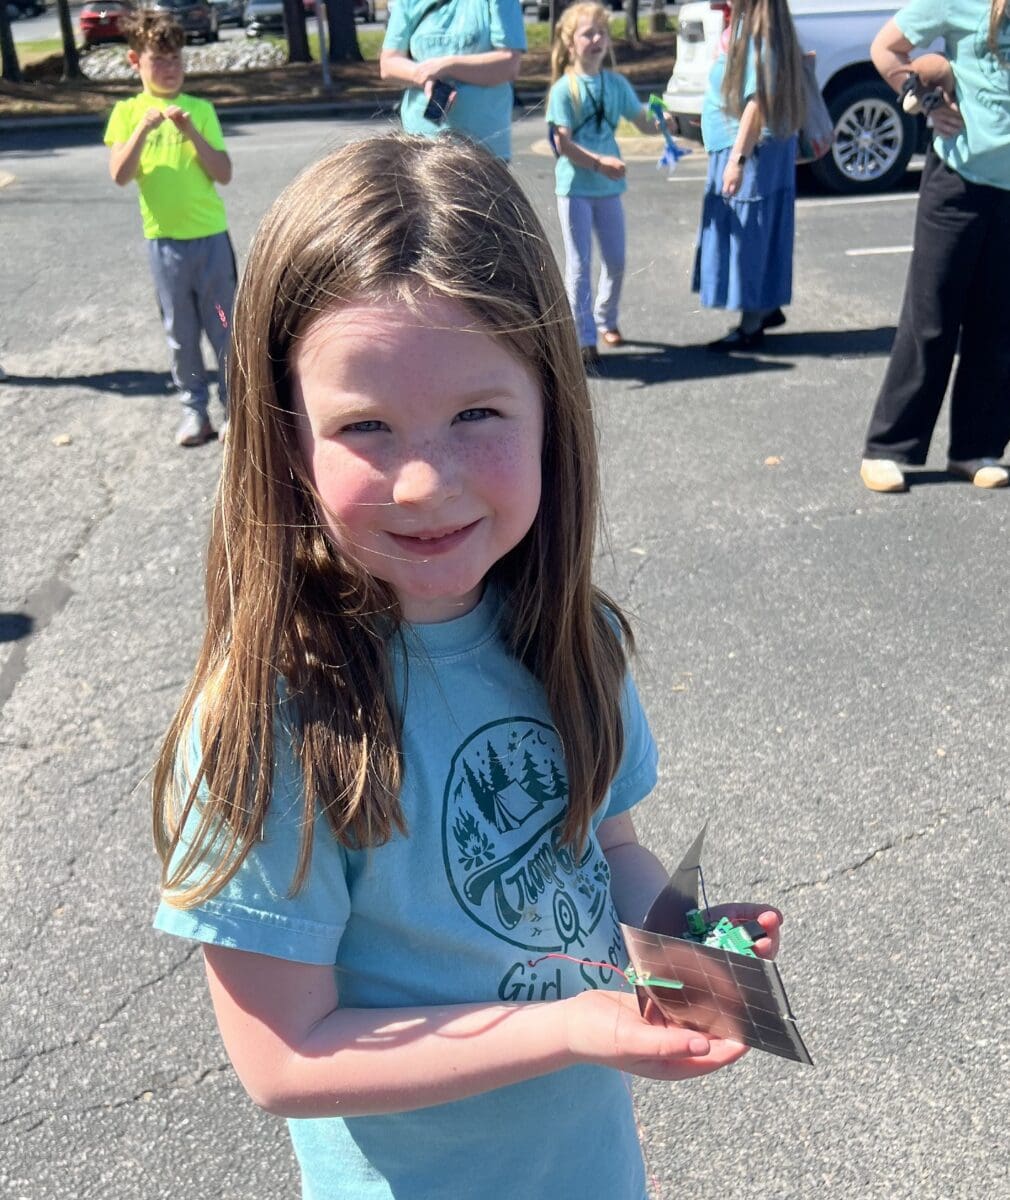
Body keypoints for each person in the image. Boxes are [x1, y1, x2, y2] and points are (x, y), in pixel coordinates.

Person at [151, 133, 783, 1200]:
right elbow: (284, 1056)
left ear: (550, 406)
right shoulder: (267, 717)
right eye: (365, 426)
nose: (421, 482)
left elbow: (603, 848)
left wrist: (682, 935)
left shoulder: (573, 635)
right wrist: (567, 1029)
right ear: (284, 435)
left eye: (475, 413)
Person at [859, 0, 1010, 493]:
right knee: (932, 317)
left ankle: (975, 449)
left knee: (998, 323)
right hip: (958, 182)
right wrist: (922, 97)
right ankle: (889, 447)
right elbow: (885, 47)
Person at [105, 10, 235, 447]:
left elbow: (223, 172)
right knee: (181, 335)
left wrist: (191, 132)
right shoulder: (126, 113)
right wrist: (142, 128)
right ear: (134, 62)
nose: (169, 68)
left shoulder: (200, 109)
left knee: (223, 326)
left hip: (211, 239)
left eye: (176, 59)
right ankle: (194, 412)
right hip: (164, 243)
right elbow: (120, 174)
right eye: (158, 60)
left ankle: (233, 411)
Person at [547, 2, 676, 365]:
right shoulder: (564, 90)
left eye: (602, 33)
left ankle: (606, 318)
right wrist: (599, 163)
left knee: (617, 260)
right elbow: (562, 143)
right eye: (588, 33)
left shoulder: (616, 83)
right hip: (575, 187)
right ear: (570, 43)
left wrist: (665, 121)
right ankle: (583, 337)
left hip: (608, 191)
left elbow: (642, 120)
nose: (597, 39)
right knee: (579, 264)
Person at [691, 0, 805, 351]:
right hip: (759, 147)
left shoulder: (758, 34)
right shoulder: (762, 27)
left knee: (749, 239)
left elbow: (756, 103)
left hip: (750, 150)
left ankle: (751, 323)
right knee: (761, 233)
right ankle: (764, 305)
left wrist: (736, 160)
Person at [379, 0, 525, 161]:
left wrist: (448, 66)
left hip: (484, 151)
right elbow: (388, 63)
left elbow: (508, 64)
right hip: (420, 146)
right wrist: (422, 75)